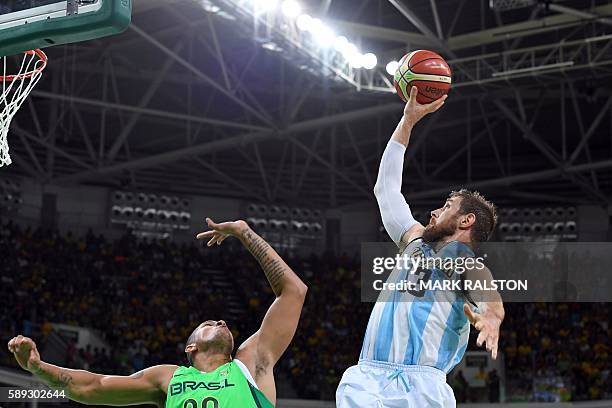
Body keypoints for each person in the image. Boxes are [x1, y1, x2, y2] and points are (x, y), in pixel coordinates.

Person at [8, 218, 308, 408]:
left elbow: (294, 292)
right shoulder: (167, 377)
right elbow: (93, 386)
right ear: (190, 346)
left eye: (219, 321)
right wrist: (38, 368)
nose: (221, 320)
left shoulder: (250, 362)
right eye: (208, 323)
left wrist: (245, 233)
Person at [336, 87, 505, 407]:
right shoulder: (414, 240)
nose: (434, 212)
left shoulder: (465, 262)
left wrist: (491, 316)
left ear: (466, 220)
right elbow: (385, 189)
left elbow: (486, 290)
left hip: (421, 386)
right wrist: (407, 121)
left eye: (446, 206)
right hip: (366, 379)